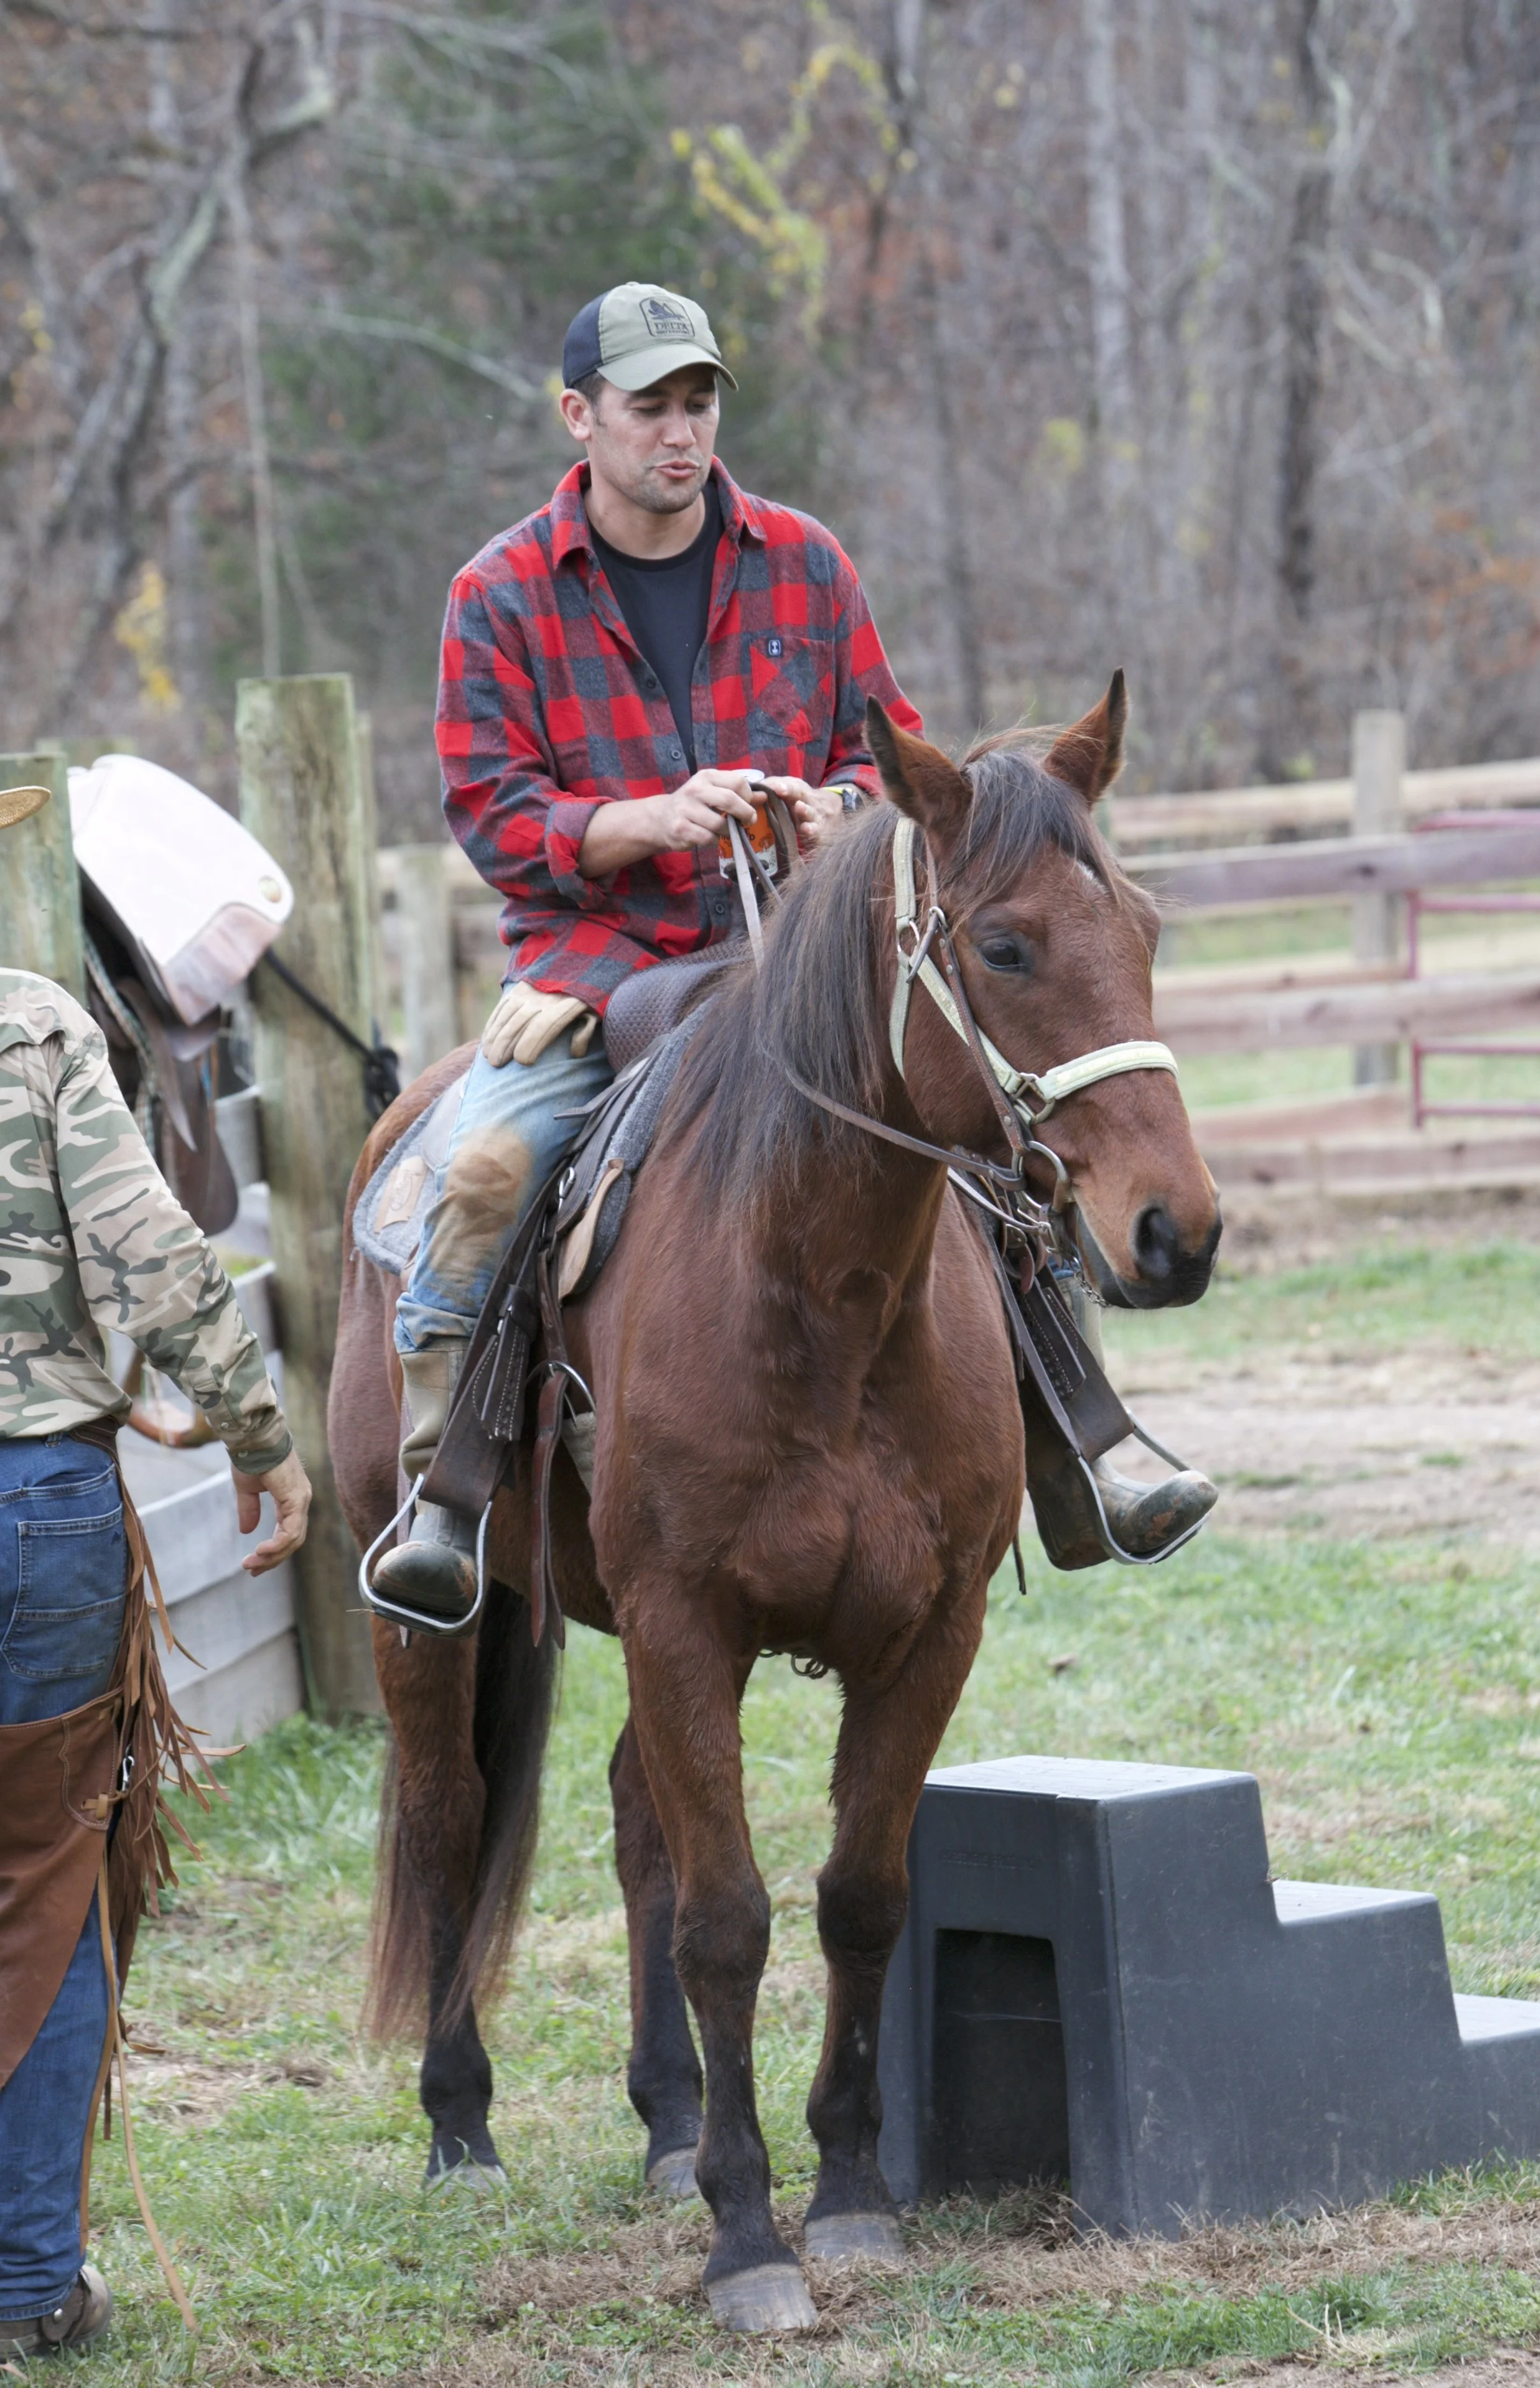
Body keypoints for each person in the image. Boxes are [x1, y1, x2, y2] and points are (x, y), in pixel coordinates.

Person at [376, 278, 1205, 1624]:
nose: (680, 432)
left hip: (808, 969)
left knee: (990, 1146)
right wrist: (644, 818)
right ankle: (448, 1493)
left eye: (698, 402)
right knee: (485, 1173)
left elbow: (892, 756)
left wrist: (842, 807)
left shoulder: (802, 562)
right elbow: (490, 810)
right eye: (649, 406)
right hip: (603, 971)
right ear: (579, 416)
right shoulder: (500, 593)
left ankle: (1084, 1445)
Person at [0, 775, 311, 2361]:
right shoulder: (34, 1026)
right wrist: (258, 1436)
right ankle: (30, 2279)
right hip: (36, 1505)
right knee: (44, 1882)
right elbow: (155, 1252)